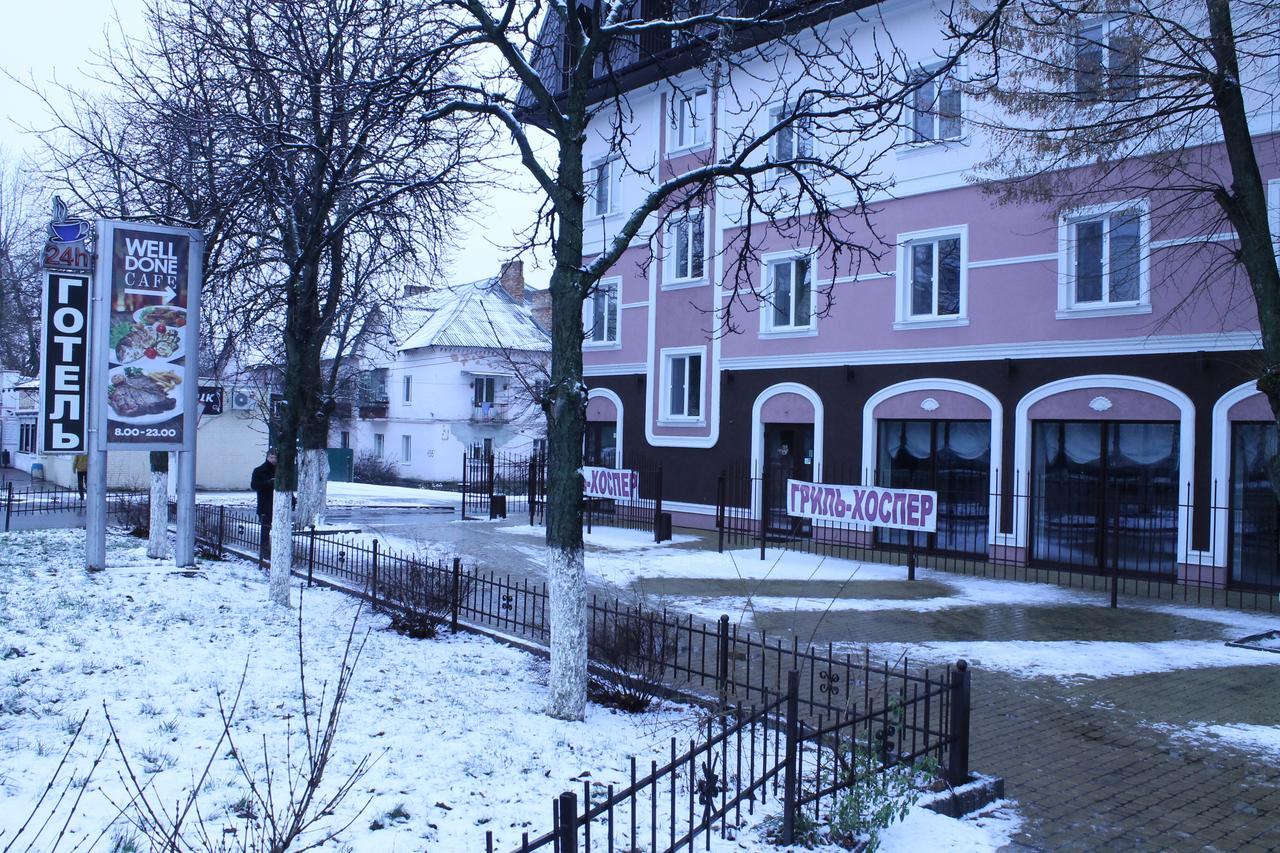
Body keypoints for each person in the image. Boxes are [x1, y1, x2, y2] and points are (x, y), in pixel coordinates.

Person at [250, 450, 277, 561]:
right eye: (272, 457)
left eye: (276, 457)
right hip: (265, 505)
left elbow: (286, 488)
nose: (274, 459)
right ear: (267, 457)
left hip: (278, 505)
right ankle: (265, 552)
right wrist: (268, 482)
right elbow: (254, 485)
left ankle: (275, 550)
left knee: (278, 529)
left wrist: (292, 500)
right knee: (265, 530)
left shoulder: (280, 471)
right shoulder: (259, 470)